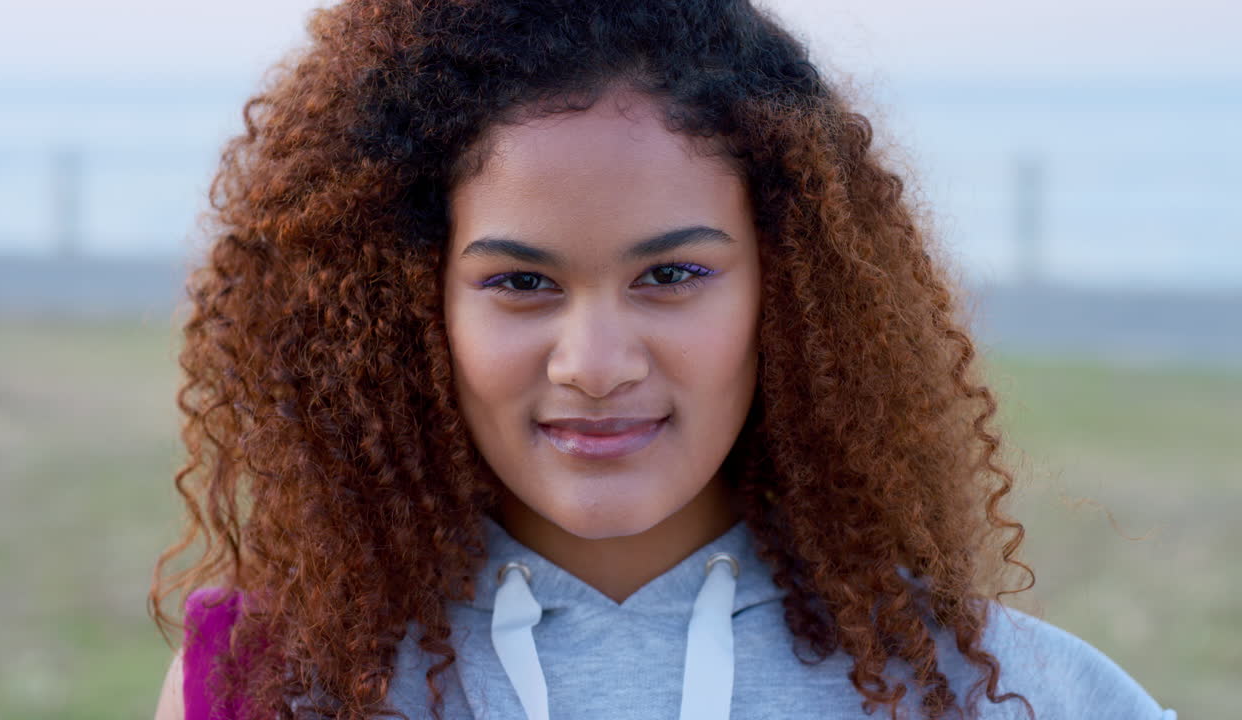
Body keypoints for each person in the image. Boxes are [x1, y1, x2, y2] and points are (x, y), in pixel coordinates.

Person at [149, 1, 1177, 718]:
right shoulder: (268, 681)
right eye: (520, 283)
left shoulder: (1004, 693)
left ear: (789, 292)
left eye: (672, 277)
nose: (594, 363)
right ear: (406, 309)